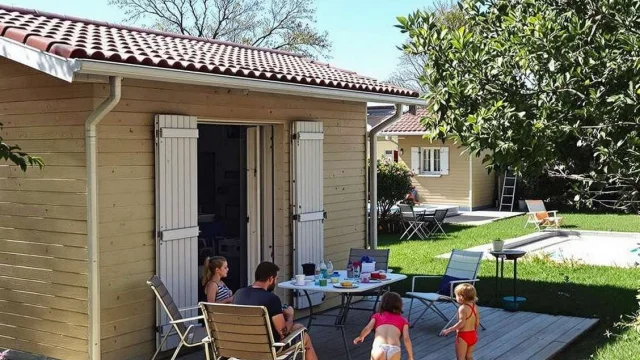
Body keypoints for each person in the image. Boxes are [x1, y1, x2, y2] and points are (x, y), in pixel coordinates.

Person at [233, 261, 318, 360]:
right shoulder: (271, 299)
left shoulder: (239, 294)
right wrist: (290, 315)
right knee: (304, 336)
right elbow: (283, 332)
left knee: (299, 327)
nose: (276, 282)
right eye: (276, 279)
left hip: (240, 346)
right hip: (267, 349)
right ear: (271, 278)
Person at [353, 292, 414, 360]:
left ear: (382, 304)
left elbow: (368, 328)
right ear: (399, 305)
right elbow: (406, 339)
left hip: (379, 348)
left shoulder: (377, 316)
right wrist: (410, 356)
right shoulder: (403, 320)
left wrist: (361, 336)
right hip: (394, 349)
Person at [440, 283, 480, 360]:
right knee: (469, 356)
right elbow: (477, 320)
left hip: (463, 336)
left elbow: (462, 323)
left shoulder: (462, 308)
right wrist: (475, 332)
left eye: (456, 296)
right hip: (473, 334)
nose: (456, 298)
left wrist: (449, 329)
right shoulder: (475, 306)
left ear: (461, 297)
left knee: (460, 358)